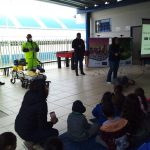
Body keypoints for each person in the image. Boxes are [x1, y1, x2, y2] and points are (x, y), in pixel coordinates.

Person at [15, 78, 59, 148]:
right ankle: (35, 144)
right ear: (42, 88)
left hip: (18, 126)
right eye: (45, 86)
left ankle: (32, 140)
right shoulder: (42, 104)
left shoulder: (28, 94)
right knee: (54, 132)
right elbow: (42, 126)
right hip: (27, 133)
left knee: (42, 129)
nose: (47, 88)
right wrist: (52, 122)